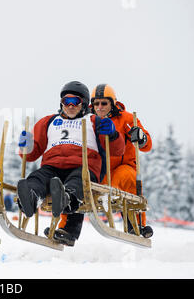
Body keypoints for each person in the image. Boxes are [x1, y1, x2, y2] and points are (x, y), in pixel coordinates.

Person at [17, 81, 125, 246]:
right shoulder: (49, 122)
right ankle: (31, 197)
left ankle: (67, 198)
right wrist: (26, 145)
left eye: (75, 102)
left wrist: (112, 135)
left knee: (78, 181)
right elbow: (31, 155)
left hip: (83, 166)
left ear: (83, 104)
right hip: (52, 166)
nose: (70, 106)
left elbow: (117, 150)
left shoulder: (94, 121)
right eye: (66, 102)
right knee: (38, 177)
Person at [62, 83, 153, 238]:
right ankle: (68, 229)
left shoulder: (127, 119)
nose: (100, 107)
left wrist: (141, 137)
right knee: (78, 183)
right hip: (99, 169)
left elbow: (147, 145)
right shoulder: (88, 120)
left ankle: (136, 226)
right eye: (96, 103)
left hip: (122, 167)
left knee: (128, 178)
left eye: (104, 103)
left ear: (113, 103)